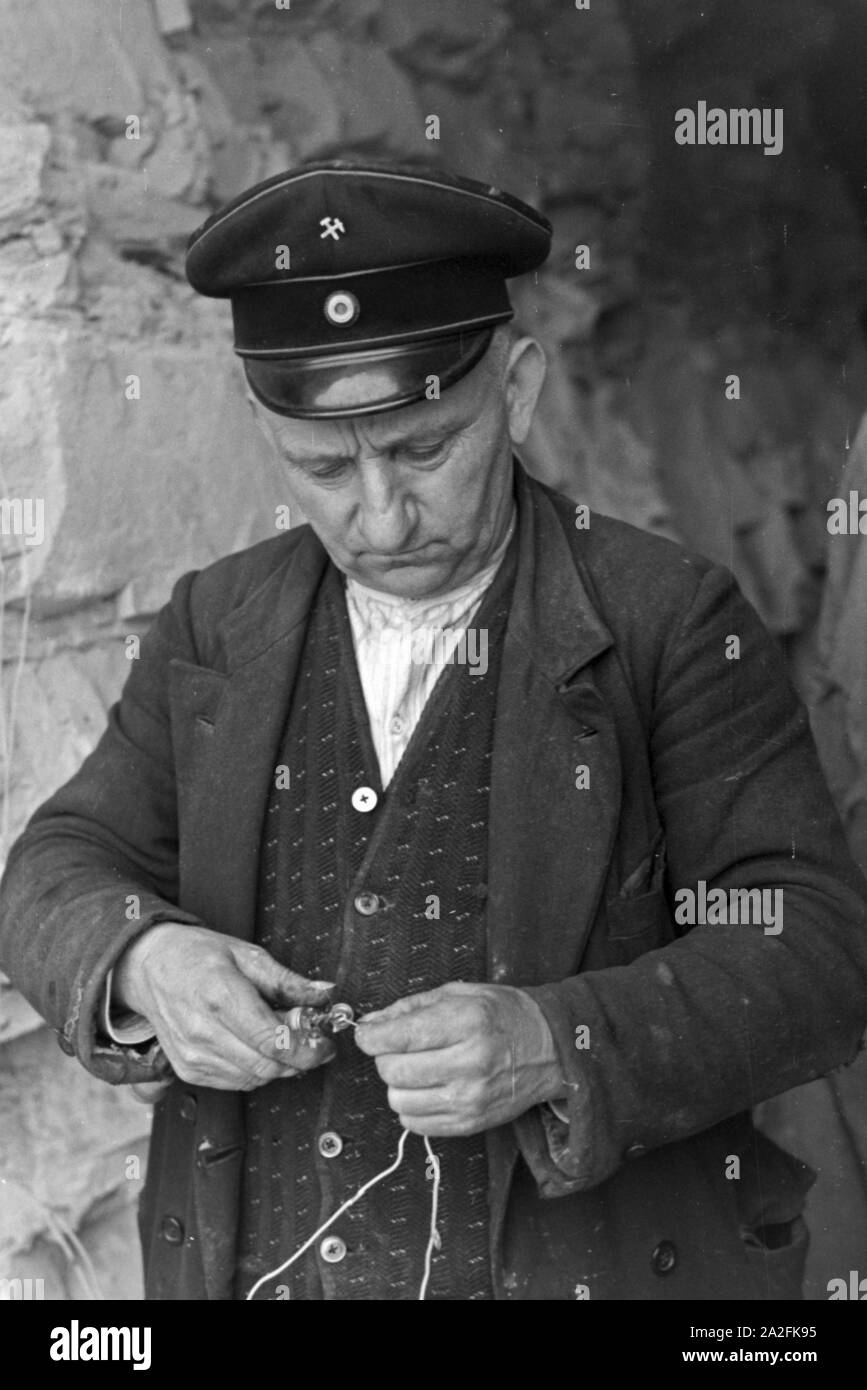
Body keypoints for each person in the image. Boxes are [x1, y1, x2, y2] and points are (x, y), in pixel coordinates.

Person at [2, 159, 866, 1302]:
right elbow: (53, 868)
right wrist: (141, 959)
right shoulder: (219, 622)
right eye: (321, 466)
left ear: (514, 390)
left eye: (423, 449)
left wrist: (563, 1040)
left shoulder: (666, 618)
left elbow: (816, 953)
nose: (380, 513)